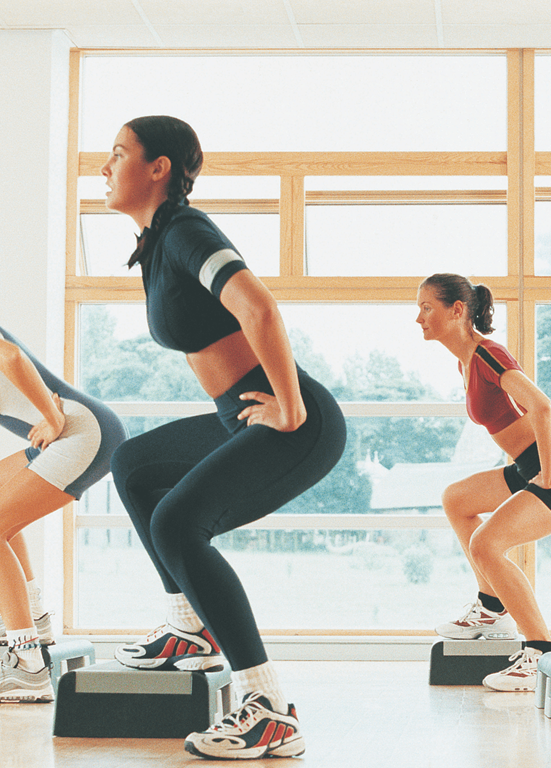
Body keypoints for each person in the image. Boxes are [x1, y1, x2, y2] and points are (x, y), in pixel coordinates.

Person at [102, 116, 345, 758]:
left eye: (119, 153)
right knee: (134, 464)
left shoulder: (185, 229)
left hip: (294, 421)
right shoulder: (157, 242)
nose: (105, 166)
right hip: (237, 416)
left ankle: (268, 709)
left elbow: (258, 305)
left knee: (178, 522)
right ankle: (188, 630)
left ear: (159, 167)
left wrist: (290, 406)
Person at [417, 273, 551, 691]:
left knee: (487, 544)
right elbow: (511, 421)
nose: (418, 317)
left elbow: (541, 407)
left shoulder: (490, 355)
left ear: (457, 310)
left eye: (426, 307)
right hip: (527, 464)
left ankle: (541, 650)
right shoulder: (465, 360)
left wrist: (548, 474)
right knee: (457, 499)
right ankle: (491, 607)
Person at [0, 325, 126, 702]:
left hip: (79, 432)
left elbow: (11, 357)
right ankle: (34, 619)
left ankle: (28, 666)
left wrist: (51, 417)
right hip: (76, 433)